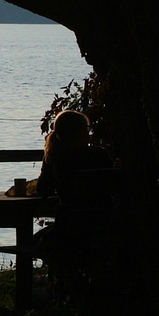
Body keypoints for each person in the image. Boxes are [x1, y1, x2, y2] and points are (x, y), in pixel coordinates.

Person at [34, 110, 118, 295]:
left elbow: (42, 190)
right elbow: (115, 186)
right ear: (79, 131)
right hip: (101, 224)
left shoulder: (55, 157)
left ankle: (60, 284)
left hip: (69, 227)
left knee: (36, 241)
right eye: (86, 128)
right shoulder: (99, 155)